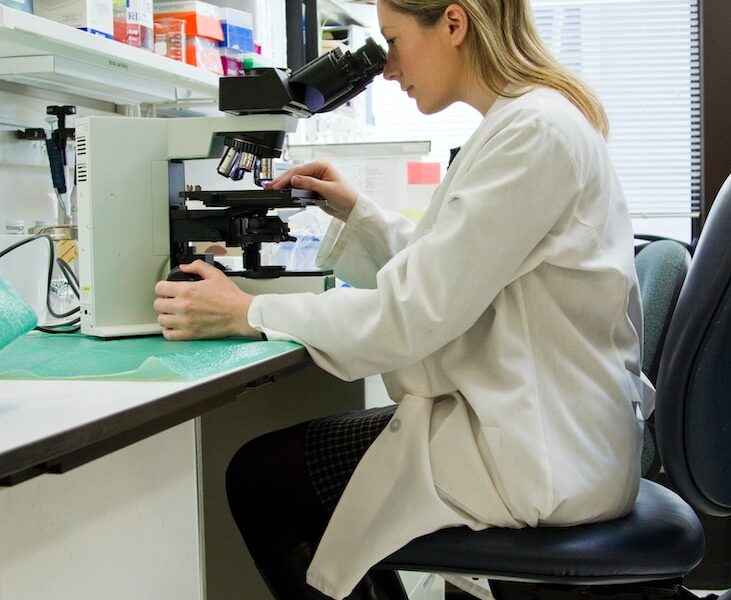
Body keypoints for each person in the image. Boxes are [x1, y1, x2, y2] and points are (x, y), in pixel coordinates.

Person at [153, 0, 654, 598]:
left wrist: (248, 312)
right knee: (294, 475)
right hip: (540, 421)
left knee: (262, 479)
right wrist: (358, 214)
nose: (387, 68)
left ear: (453, 22)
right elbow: (457, 266)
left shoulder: (532, 132)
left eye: (392, 40)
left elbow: (411, 313)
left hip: (539, 448)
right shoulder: (530, 122)